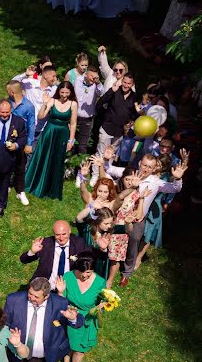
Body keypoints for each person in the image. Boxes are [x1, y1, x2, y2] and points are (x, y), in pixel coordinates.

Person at [121, 153, 188, 287]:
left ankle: (126, 273)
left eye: (149, 167)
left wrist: (177, 179)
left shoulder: (155, 182)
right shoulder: (130, 173)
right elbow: (110, 169)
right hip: (120, 214)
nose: (145, 169)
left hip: (137, 218)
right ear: (139, 163)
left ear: (153, 169)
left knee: (134, 239)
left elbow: (174, 188)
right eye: (144, 165)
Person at [53, 251, 107, 362]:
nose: (84, 275)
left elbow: (103, 303)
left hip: (86, 320)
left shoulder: (100, 283)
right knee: (66, 343)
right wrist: (60, 292)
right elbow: (61, 301)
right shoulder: (68, 277)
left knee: (79, 349)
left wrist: (102, 307)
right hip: (69, 316)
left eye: (88, 272)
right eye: (81, 271)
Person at [24, 81, 78, 201]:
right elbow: (41, 116)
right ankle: (36, 184)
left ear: (71, 92)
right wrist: (44, 103)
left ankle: (51, 188)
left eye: (67, 93)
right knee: (43, 157)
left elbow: (73, 124)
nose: (64, 95)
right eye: (62, 92)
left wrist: (71, 140)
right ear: (58, 91)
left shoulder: (73, 104)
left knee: (57, 160)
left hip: (63, 134)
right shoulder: (52, 101)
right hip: (49, 132)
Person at [0, 99, 27, 217]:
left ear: (11, 110)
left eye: (7, 112)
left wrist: (16, 145)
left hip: (9, 158)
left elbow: (23, 138)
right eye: (2, 112)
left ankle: (1, 205)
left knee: (4, 183)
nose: (4, 115)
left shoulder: (18, 122)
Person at [20, 220, 88, 289]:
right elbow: (23, 260)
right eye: (58, 235)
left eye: (64, 234)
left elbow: (91, 259)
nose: (61, 238)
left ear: (69, 231)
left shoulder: (79, 243)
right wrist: (32, 252)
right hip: (45, 287)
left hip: (68, 288)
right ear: (54, 233)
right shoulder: (46, 244)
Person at [7, 80, 37, 207]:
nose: (7, 93)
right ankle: (6, 185)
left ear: (13, 92)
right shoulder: (8, 102)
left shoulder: (29, 106)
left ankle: (20, 190)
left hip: (21, 139)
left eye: (8, 91)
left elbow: (31, 126)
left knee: (20, 167)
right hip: (8, 138)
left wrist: (29, 143)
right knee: (7, 163)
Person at [96, 72, 139, 157]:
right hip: (107, 129)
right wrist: (111, 90)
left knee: (111, 156)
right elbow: (100, 103)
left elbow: (133, 114)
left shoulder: (134, 96)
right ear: (122, 81)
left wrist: (132, 119)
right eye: (124, 82)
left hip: (119, 132)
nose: (126, 85)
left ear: (132, 84)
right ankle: (96, 171)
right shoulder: (114, 91)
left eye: (129, 83)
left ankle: (107, 170)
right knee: (101, 154)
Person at [75, 206, 113, 279]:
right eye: (106, 223)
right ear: (98, 222)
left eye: (110, 223)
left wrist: (103, 249)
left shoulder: (106, 234)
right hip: (83, 265)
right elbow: (78, 219)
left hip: (98, 267)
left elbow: (103, 258)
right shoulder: (87, 230)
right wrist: (91, 206)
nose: (109, 226)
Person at [74, 65, 104, 155]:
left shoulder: (97, 85)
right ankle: (68, 166)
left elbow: (101, 92)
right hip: (74, 117)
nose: (93, 79)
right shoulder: (78, 80)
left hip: (87, 120)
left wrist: (97, 82)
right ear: (86, 74)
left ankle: (80, 167)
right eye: (92, 76)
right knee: (71, 142)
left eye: (95, 77)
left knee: (82, 146)